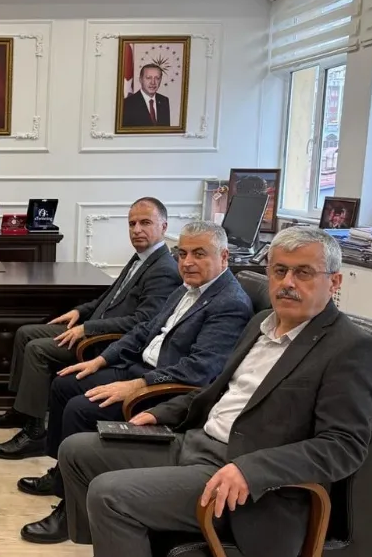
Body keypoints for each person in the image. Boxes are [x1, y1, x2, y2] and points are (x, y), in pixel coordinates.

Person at [59, 226, 372, 557]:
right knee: (76, 451)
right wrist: (160, 412)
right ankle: (119, 541)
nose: (288, 282)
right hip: (195, 442)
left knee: (109, 495)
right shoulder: (261, 322)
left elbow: (343, 446)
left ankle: (124, 530)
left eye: (303, 272)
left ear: (334, 282)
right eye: (279, 270)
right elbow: (217, 390)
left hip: (249, 484)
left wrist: (252, 469)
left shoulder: (351, 348)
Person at [20, 221, 254, 544]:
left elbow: (199, 370)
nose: (187, 262)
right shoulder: (185, 289)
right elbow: (144, 331)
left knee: (80, 408)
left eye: (199, 254)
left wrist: (138, 385)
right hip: (137, 369)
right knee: (65, 384)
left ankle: (69, 513)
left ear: (224, 256)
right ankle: (63, 476)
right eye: (183, 253)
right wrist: (101, 360)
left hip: (162, 390)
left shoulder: (230, 303)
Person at [0, 197, 182, 460]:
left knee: (37, 349)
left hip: (107, 342)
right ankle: (23, 410)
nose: (137, 230)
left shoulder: (164, 269)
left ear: (164, 226)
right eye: (132, 224)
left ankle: (35, 432)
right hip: (93, 328)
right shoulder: (141, 258)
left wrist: (86, 328)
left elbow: (142, 322)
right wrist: (80, 312)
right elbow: (110, 297)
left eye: (145, 223)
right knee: (25, 333)